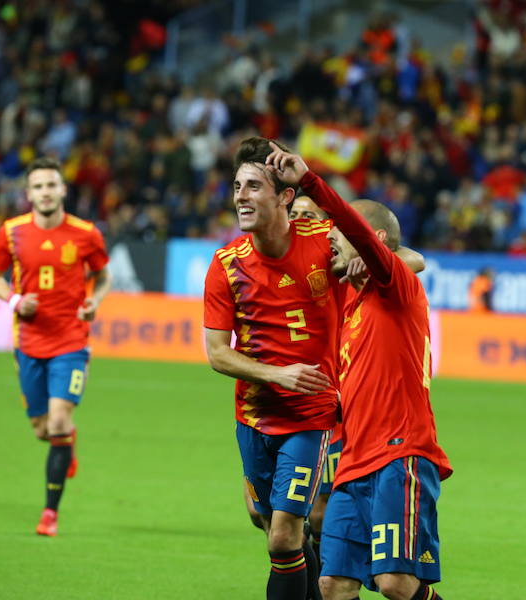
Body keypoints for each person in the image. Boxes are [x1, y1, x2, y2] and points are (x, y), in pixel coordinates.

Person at [264, 142, 453, 600]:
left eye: (338, 231)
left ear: (375, 244)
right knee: (332, 583)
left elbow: (373, 240)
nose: (329, 235)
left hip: (399, 454)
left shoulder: (397, 290)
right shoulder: (350, 300)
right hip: (352, 463)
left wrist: (309, 181)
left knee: (397, 584)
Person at [204, 138, 341, 600]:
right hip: (254, 416)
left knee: (284, 534)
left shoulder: (324, 243)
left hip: (310, 416)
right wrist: (276, 374)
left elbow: (405, 258)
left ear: (284, 196)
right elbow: (218, 353)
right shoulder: (226, 265)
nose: (241, 195)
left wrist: (368, 258)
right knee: (270, 528)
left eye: (253, 186)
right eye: (237, 186)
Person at [0, 157, 112, 537]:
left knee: (58, 421)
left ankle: (49, 514)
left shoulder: (86, 233)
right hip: (28, 341)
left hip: (71, 340)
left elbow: (103, 276)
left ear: (63, 189)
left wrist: (94, 302)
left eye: (51, 185)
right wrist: (13, 301)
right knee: (43, 429)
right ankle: (66, 443)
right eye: (38, 186)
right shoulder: (11, 232)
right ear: (28, 194)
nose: (45, 192)